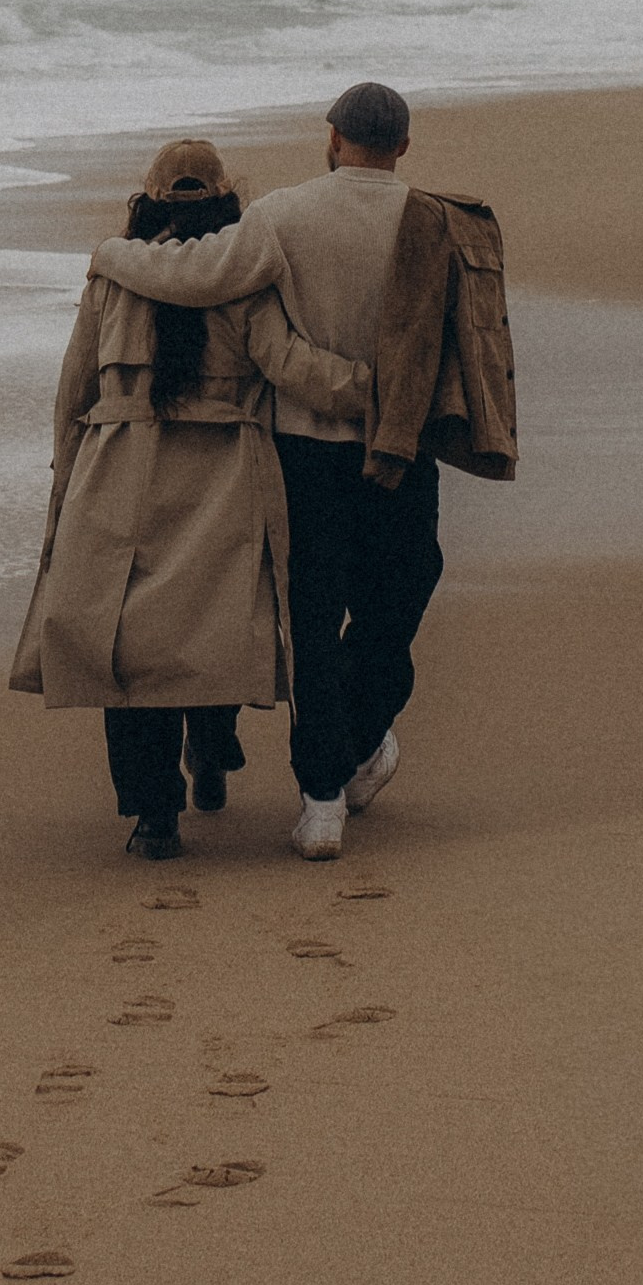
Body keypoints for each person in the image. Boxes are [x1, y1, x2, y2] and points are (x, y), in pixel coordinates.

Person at [84, 79, 451, 861]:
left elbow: (194, 277)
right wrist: (397, 405)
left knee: (312, 626)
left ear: (331, 136)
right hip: (403, 449)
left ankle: (323, 797)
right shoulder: (438, 223)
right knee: (395, 609)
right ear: (405, 147)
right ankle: (354, 747)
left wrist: (114, 252)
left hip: (307, 456)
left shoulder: (282, 216)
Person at [11, 138, 373, 860]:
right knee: (208, 625)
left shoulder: (112, 273)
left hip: (120, 468)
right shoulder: (243, 278)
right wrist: (376, 390)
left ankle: (154, 815)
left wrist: (63, 477)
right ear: (226, 202)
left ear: (144, 203)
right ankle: (211, 743)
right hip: (222, 469)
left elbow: (74, 384)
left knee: (129, 645)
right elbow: (288, 365)